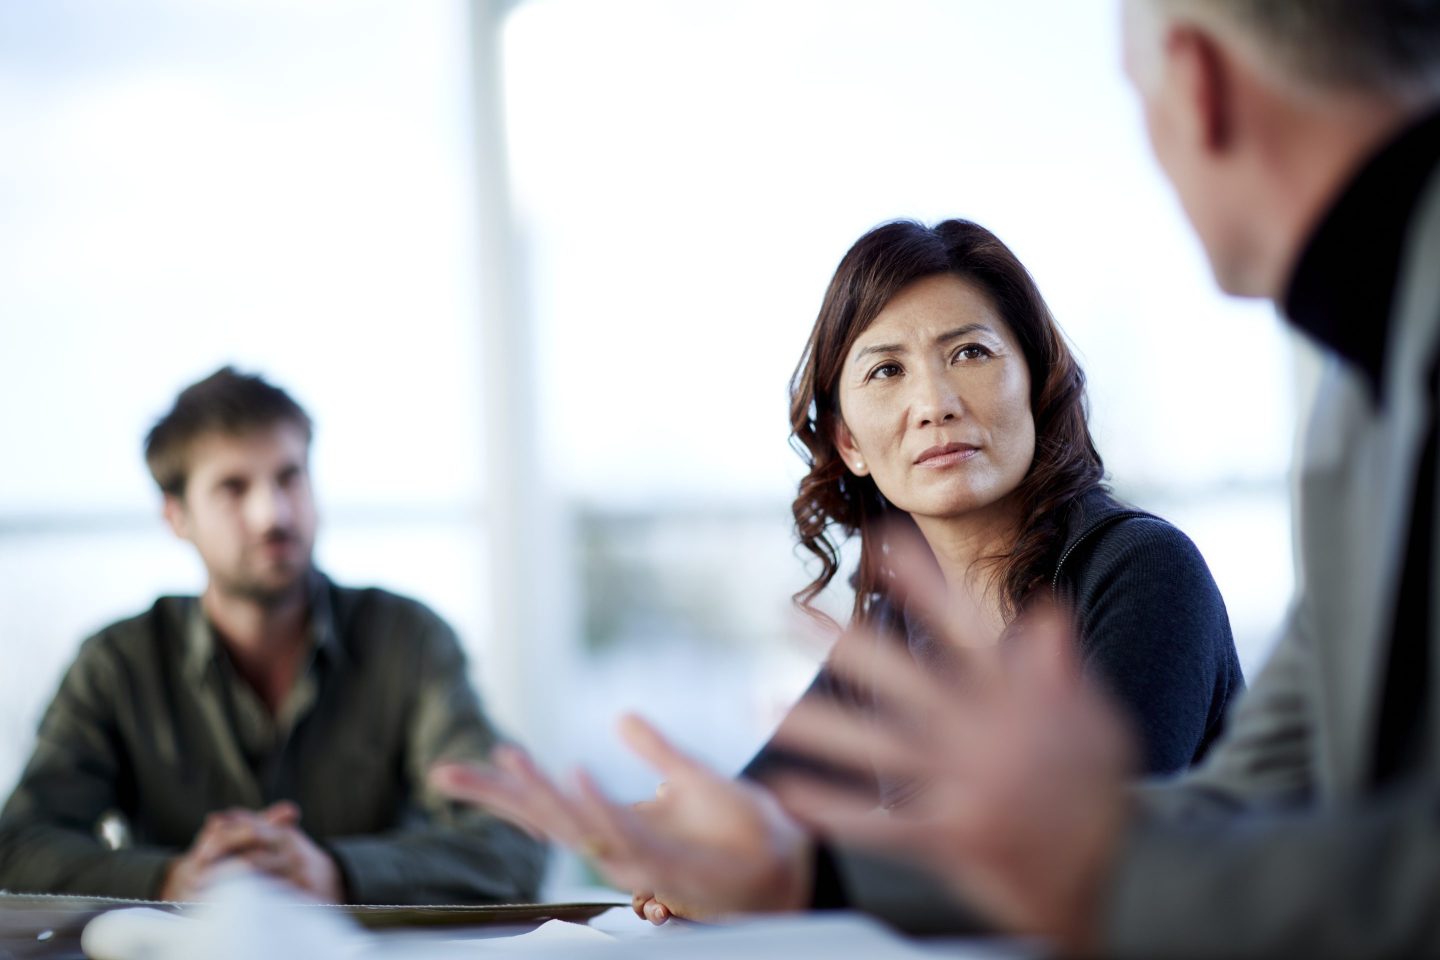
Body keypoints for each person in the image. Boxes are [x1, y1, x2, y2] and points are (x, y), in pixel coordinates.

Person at [434, 216, 1244, 927]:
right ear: (849, 442)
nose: (935, 402)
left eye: (970, 353)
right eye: (887, 371)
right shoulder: (897, 623)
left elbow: (1070, 852)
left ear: (1034, 385)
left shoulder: (1143, 570)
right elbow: (764, 809)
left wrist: (784, 870)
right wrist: (677, 840)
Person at [0, 367, 545, 905]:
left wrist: (338, 873)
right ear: (176, 517)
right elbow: (17, 846)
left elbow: (516, 833)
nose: (273, 514)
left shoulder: (407, 639)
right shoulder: (118, 664)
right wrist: (169, 881)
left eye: (289, 477)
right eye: (233, 488)